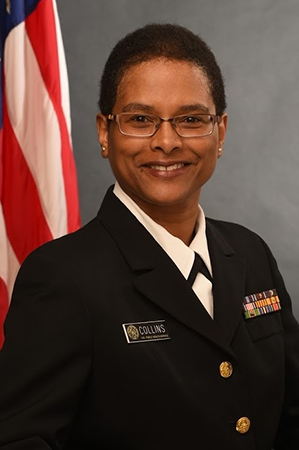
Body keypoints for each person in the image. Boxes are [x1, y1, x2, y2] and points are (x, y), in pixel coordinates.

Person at [0, 23, 298, 450]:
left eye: (191, 119)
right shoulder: (63, 277)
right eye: (141, 120)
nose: (166, 142)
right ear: (105, 132)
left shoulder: (251, 253)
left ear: (221, 133)